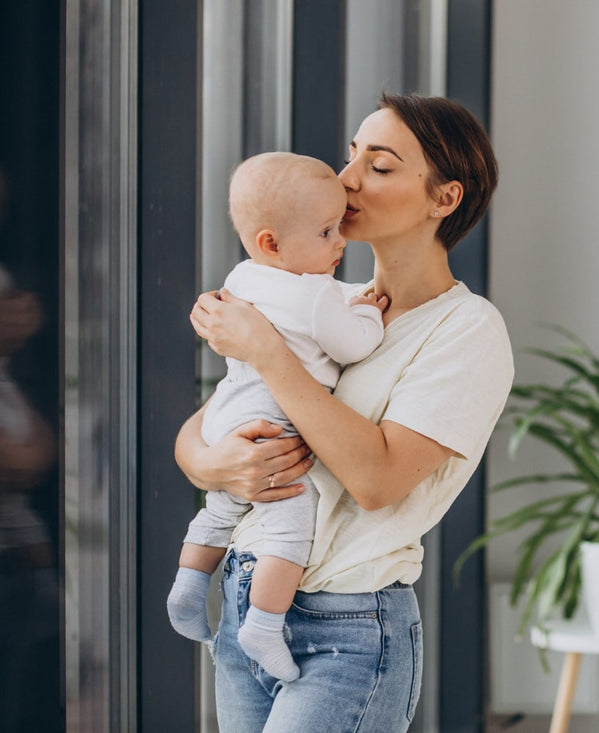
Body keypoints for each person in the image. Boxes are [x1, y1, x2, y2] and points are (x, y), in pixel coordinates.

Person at [176, 93, 513, 732]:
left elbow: (378, 481)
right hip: (249, 599)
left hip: (350, 626)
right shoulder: (329, 304)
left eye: (380, 166)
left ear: (444, 199)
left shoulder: (467, 330)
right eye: (352, 154)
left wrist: (269, 353)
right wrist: (216, 465)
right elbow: (213, 419)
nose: (347, 177)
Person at [167, 152, 387, 683]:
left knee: (219, 510)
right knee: (293, 519)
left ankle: (188, 587)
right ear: (272, 242)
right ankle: (264, 624)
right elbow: (356, 345)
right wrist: (366, 312)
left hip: (226, 414)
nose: (341, 242)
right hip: (274, 424)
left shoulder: (241, 276)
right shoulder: (315, 296)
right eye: (328, 231)